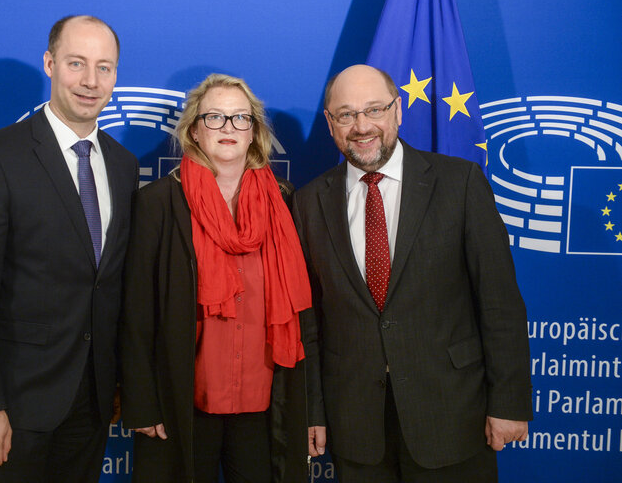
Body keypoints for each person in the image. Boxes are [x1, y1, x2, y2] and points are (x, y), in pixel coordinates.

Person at [292, 64, 532, 482]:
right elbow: (307, 323)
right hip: (356, 424)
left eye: (374, 110)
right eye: (346, 114)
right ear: (330, 123)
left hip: (454, 413)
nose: (361, 126)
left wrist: (508, 403)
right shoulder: (309, 203)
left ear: (398, 111)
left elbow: (500, 303)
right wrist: (312, 410)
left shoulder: (459, 183)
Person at [0, 15, 139, 482]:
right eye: (76, 63)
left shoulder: (123, 164)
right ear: (50, 64)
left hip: (93, 405)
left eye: (105, 67)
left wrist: (115, 382)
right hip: (15, 408)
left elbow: (109, 285)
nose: (91, 81)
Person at [120, 73, 326, 483]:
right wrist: (141, 403)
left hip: (264, 406)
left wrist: (310, 407)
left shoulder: (283, 200)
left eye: (240, 118)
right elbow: (136, 313)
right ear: (195, 129)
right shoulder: (159, 202)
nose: (228, 128)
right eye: (214, 117)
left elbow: (304, 316)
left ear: (254, 132)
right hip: (182, 404)